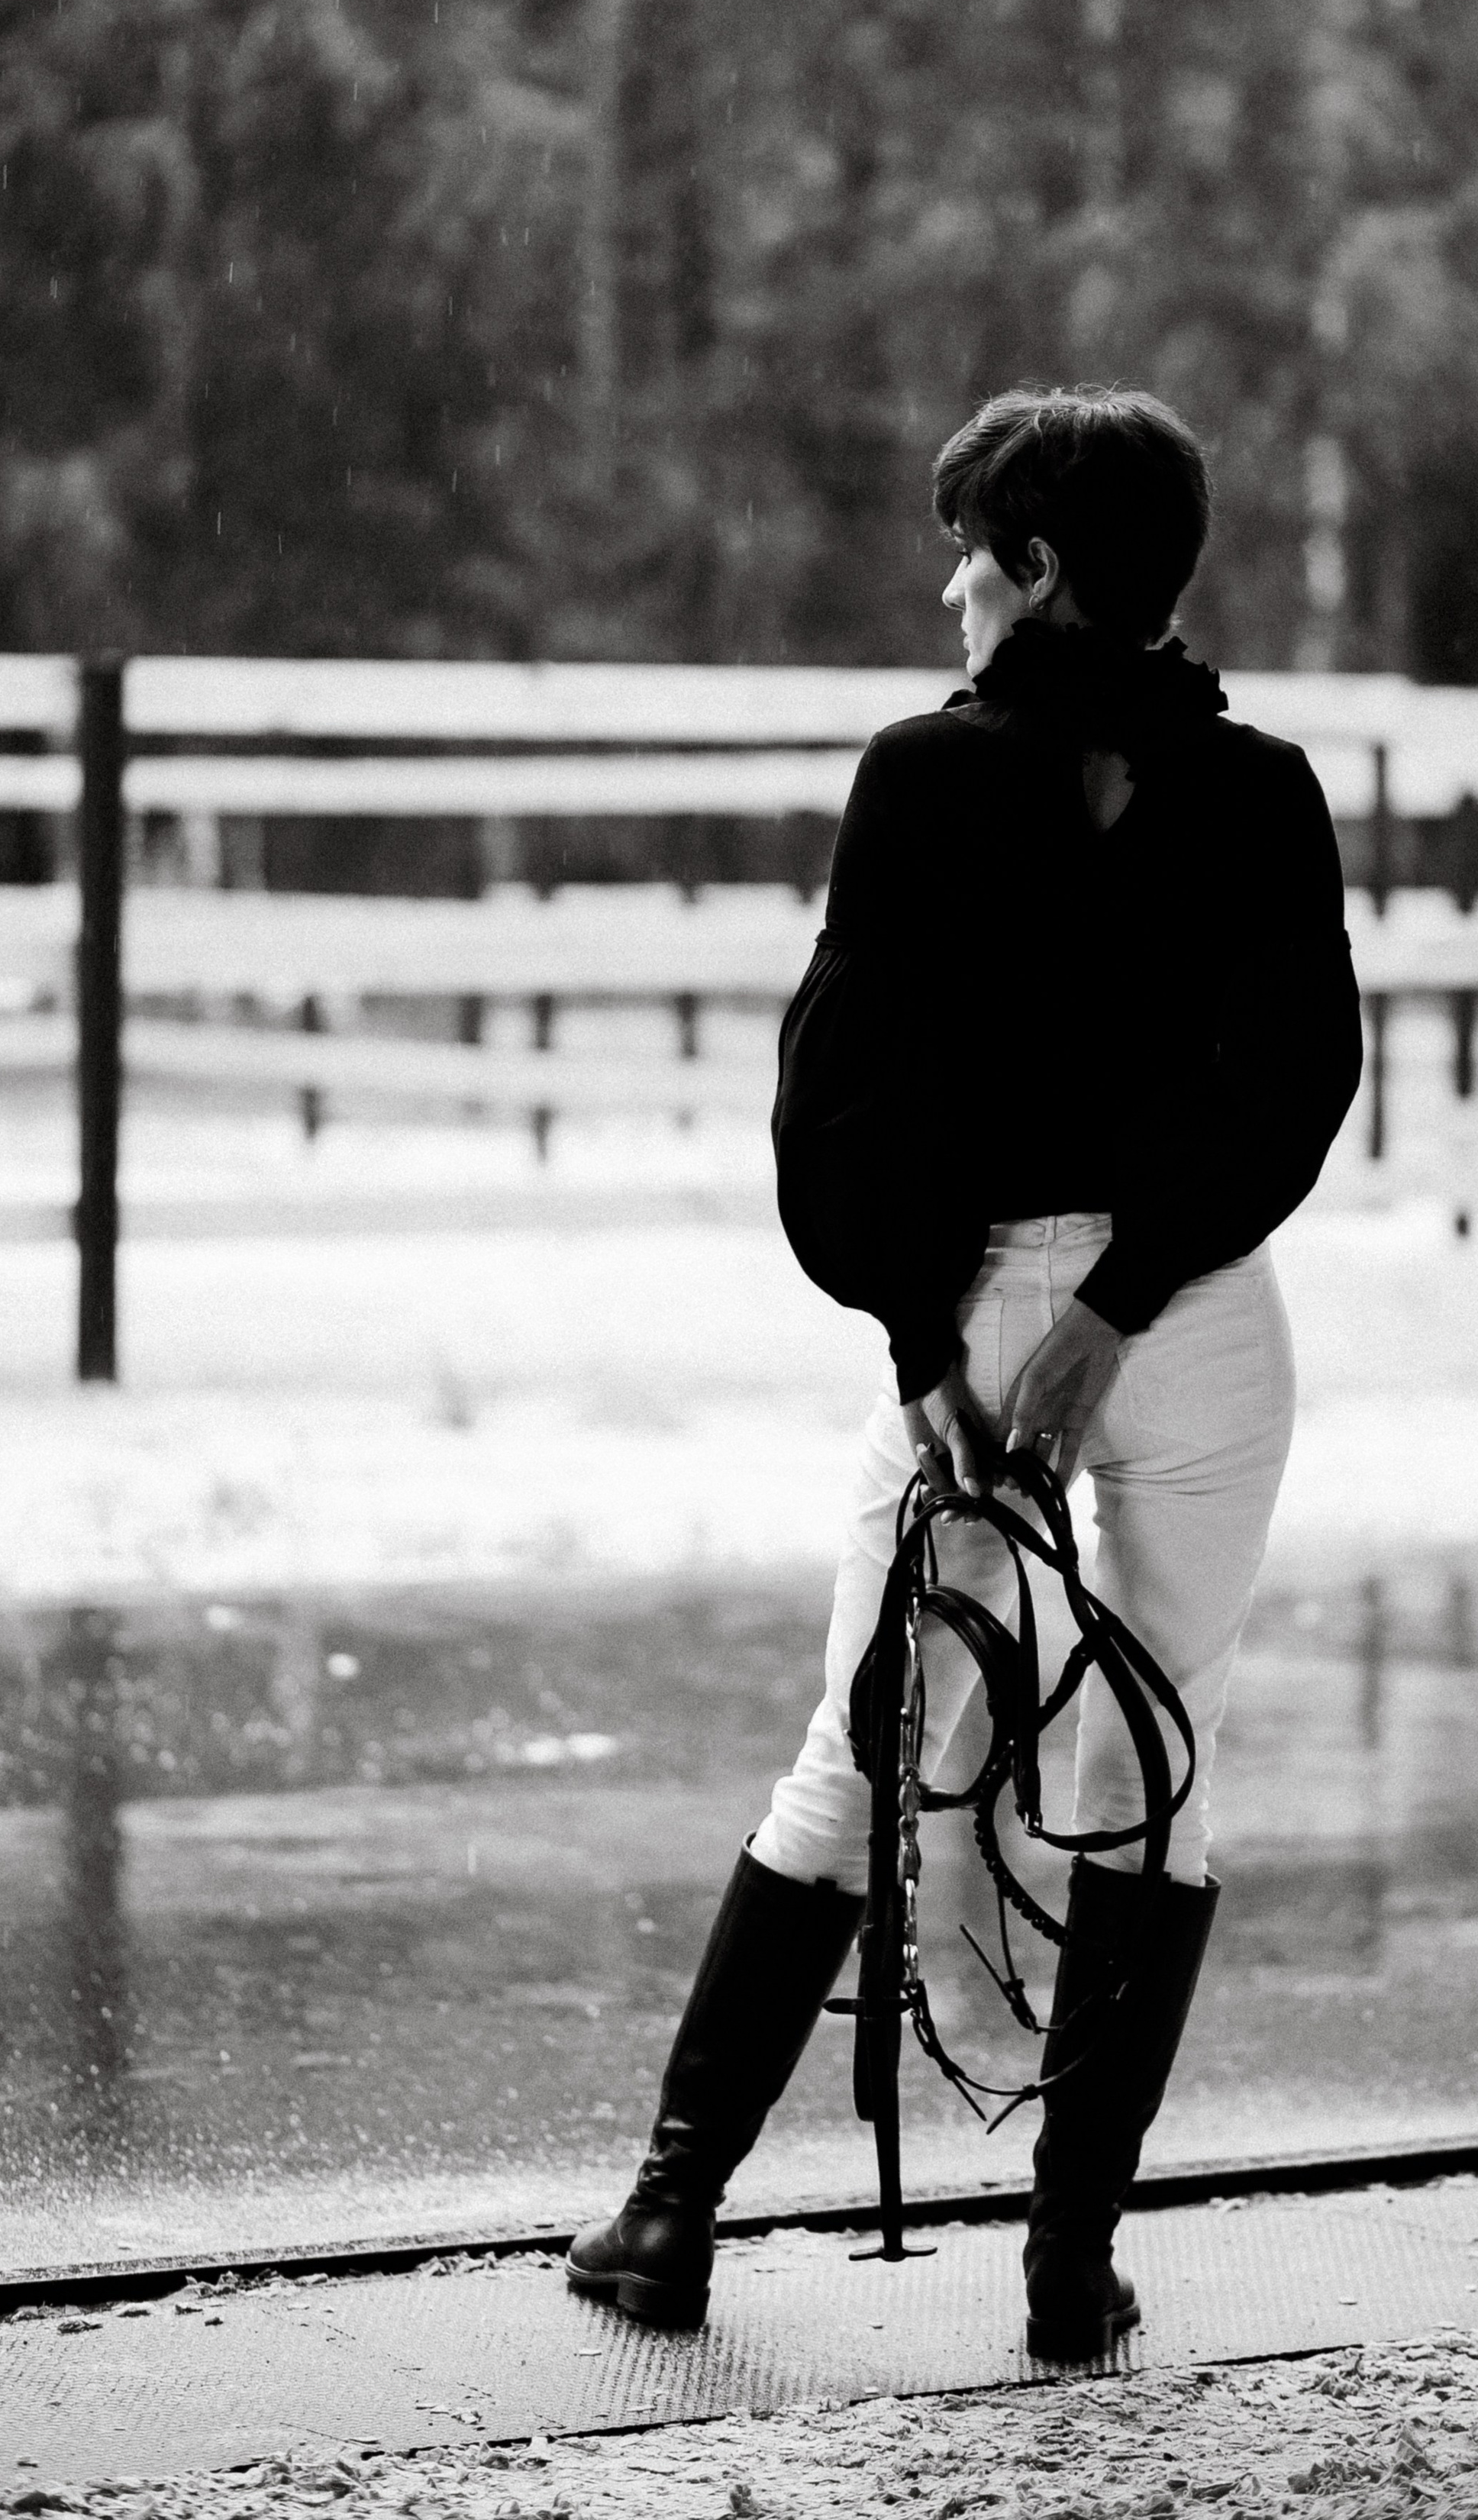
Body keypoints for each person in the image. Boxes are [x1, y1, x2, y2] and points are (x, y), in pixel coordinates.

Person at [568, 386, 1363, 2358]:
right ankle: (1067, 2267)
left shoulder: (921, 781)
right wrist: (1134, 1294)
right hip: (1199, 1318)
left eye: (971, 553)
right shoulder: (1261, 790)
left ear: (1040, 571)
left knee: (863, 1746)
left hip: (985, 1315)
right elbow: (1294, 1077)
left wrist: (930, 1337)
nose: (946, 587)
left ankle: (671, 2219)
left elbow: (847, 1087)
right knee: (1149, 1757)